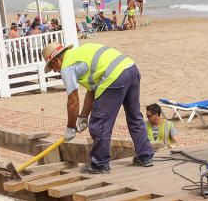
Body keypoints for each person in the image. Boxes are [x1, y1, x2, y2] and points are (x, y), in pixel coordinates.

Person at [42, 41, 154, 174]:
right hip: (131, 68)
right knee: (134, 116)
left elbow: (73, 101)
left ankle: (99, 164)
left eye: (53, 67)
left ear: (56, 61)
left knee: (99, 123)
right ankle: (145, 155)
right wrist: (83, 117)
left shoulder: (67, 67)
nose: (55, 71)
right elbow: (92, 91)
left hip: (115, 76)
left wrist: (71, 128)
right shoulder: (81, 53)